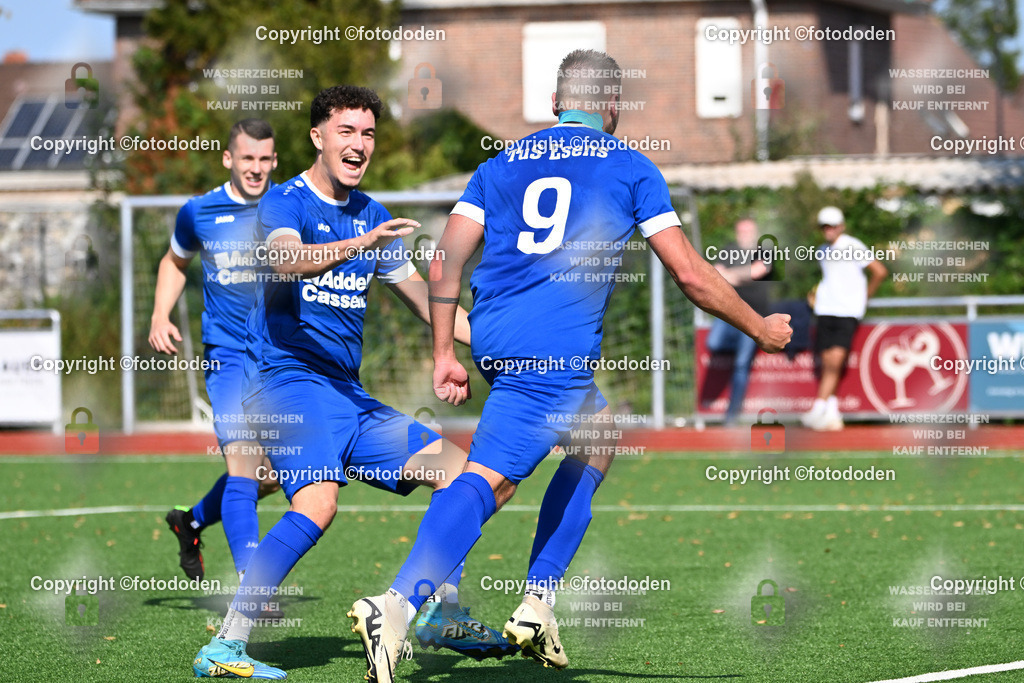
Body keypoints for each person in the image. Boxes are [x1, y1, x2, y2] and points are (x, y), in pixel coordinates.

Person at [349, 49, 793, 682]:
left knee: (598, 435)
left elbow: (445, 258)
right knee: (489, 481)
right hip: (550, 354)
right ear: (613, 106)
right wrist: (760, 327)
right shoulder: (630, 166)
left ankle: (537, 604)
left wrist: (445, 351)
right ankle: (395, 605)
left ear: (555, 104)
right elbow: (692, 276)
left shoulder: (499, 164)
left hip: (499, 341)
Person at [191, 86, 516, 680]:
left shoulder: (371, 212)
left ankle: (441, 614)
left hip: (346, 394)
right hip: (287, 384)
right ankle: (225, 645)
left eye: (367, 133)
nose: (359, 144)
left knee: (463, 476)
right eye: (346, 131)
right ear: (318, 137)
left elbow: (426, 300)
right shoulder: (285, 203)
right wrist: (360, 244)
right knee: (317, 504)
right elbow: (285, 260)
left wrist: (505, 348)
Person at [149, 119, 281, 583]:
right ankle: (252, 583)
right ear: (228, 159)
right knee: (244, 460)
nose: (256, 168)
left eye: (264, 159)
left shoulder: (288, 205)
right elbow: (174, 261)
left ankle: (190, 521)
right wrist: (160, 315)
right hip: (227, 356)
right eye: (247, 158)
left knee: (271, 475)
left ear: (275, 161)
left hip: (279, 359)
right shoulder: (199, 211)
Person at [801, 206, 887, 431]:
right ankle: (832, 413)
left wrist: (864, 298)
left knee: (834, 363)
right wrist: (817, 294)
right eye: (824, 226)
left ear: (841, 226)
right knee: (828, 363)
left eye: (831, 226)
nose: (828, 230)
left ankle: (818, 408)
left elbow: (879, 271)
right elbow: (832, 280)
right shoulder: (821, 251)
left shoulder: (852, 245)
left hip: (846, 313)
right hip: (825, 311)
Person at [706, 218, 774, 426]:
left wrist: (731, 275)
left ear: (755, 232)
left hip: (753, 316)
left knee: (741, 365)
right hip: (728, 314)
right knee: (713, 343)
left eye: (748, 231)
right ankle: (737, 345)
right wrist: (743, 273)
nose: (744, 235)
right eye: (741, 231)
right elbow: (715, 274)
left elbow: (758, 272)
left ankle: (731, 417)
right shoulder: (728, 249)